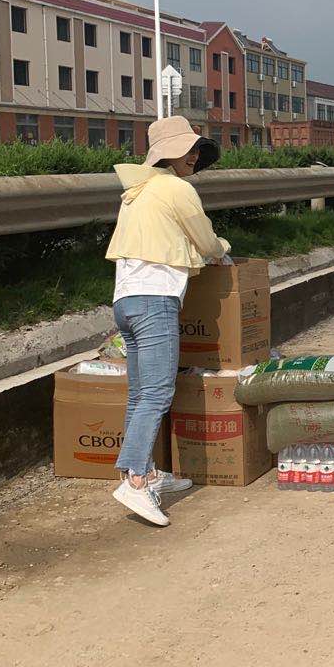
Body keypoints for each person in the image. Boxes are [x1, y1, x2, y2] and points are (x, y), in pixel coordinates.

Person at [104, 115, 225, 527]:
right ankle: (136, 481)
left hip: (125, 301)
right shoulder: (176, 188)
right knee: (157, 393)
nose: (193, 156)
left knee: (140, 394)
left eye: (195, 149)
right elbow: (205, 240)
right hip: (155, 301)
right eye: (186, 149)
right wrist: (222, 248)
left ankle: (148, 473)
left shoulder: (136, 191)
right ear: (167, 155)